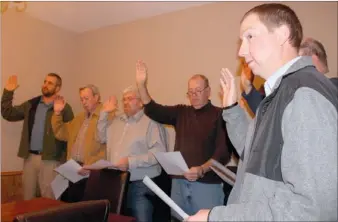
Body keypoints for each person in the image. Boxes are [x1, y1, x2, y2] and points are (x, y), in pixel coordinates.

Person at [187, 3, 337, 221]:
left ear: (282, 34)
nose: (241, 51)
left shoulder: (304, 94)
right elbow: (253, 155)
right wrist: (231, 109)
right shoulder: (281, 93)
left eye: (250, 36)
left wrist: (216, 217)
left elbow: (315, 210)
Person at [135, 61, 231, 221]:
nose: (194, 95)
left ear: (208, 91)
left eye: (198, 91)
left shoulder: (219, 115)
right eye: (190, 92)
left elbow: (223, 153)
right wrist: (141, 85)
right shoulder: (181, 112)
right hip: (179, 183)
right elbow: (153, 109)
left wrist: (201, 169)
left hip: (207, 185)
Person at [96, 85, 168, 222]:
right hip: (115, 182)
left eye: (130, 99)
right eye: (123, 99)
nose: (125, 102)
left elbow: (159, 153)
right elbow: (100, 138)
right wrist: (104, 113)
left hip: (140, 184)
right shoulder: (117, 120)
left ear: (141, 102)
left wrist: (130, 162)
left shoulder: (152, 122)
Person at [1, 73, 74, 200]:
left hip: (51, 161)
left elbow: (71, 135)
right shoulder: (31, 104)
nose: (45, 85)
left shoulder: (64, 108)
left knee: (49, 201)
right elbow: (8, 113)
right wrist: (8, 92)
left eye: (50, 83)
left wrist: (65, 162)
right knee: (27, 199)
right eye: (45, 81)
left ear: (58, 88)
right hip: (29, 158)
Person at [52, 84, 116, 202]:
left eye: (86, 98)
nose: (83, 102)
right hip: (73, 169)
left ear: (96, 97)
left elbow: (107, 144)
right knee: (68, 205)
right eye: (81, 99)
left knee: (86, 209)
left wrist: (91, 166)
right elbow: (62, 133)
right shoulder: (80, 117)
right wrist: (57, 114)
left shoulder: (108, 115)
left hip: (92, 171)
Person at [242, 37, 338, 114]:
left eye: (296, 63)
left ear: (313, 60)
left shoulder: (328, 89)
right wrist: (248, 88)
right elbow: (272, 115)